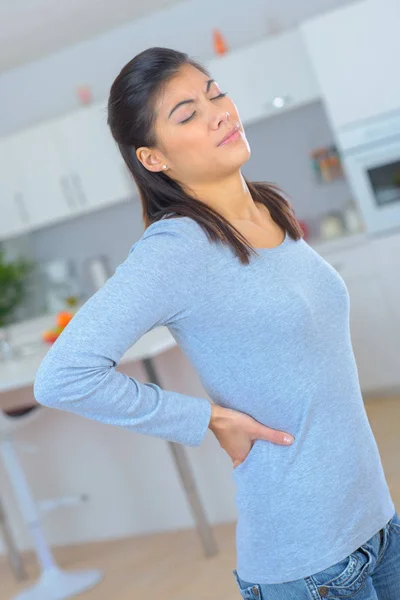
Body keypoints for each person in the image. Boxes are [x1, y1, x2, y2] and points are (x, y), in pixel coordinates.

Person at [33, 47, 400, 599]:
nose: (221, 112)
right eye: (187, 114)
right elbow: (62, 375)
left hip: (375, 520)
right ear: (153, 158)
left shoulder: (268, 207)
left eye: (215, 93)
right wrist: (205, 419)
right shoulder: (176, 249)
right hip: (310, 563)